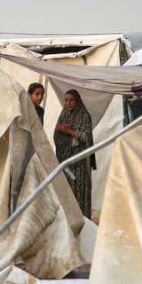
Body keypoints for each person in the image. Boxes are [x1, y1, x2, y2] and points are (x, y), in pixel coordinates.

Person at [54, 89, 95, 218]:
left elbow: (86, 138)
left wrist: (69, 131)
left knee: (80, 192)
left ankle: (83, 219)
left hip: (80, 161)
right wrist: (66, 136)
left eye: (71, 100)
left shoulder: (84, 116)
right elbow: (57, 135)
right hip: (67, 161)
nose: (68, 103)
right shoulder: (64, 114)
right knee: (67, 191)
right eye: (66, 100)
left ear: (77, 100)